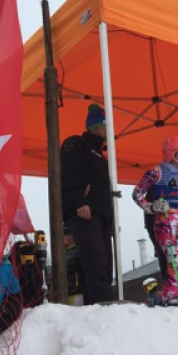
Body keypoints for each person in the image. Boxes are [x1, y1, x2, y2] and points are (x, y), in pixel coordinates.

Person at [132, 135, 178, 306]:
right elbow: (137, 193)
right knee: (174, 258)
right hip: (165, 220)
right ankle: (171, 294)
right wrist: (151, 206)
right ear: (169, 154)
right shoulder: (157, 171)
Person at [60, 103, 115, 305]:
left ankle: (97, 307)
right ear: (96, 126)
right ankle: (102, 309)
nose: (108, 131)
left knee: (105, 265)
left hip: (102, 216)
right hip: (84, 213)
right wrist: (78, 203)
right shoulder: (76, 144)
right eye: (106, 126)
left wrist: (111, 218)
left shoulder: (101, 155)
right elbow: (67, 174)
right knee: (96, 262)